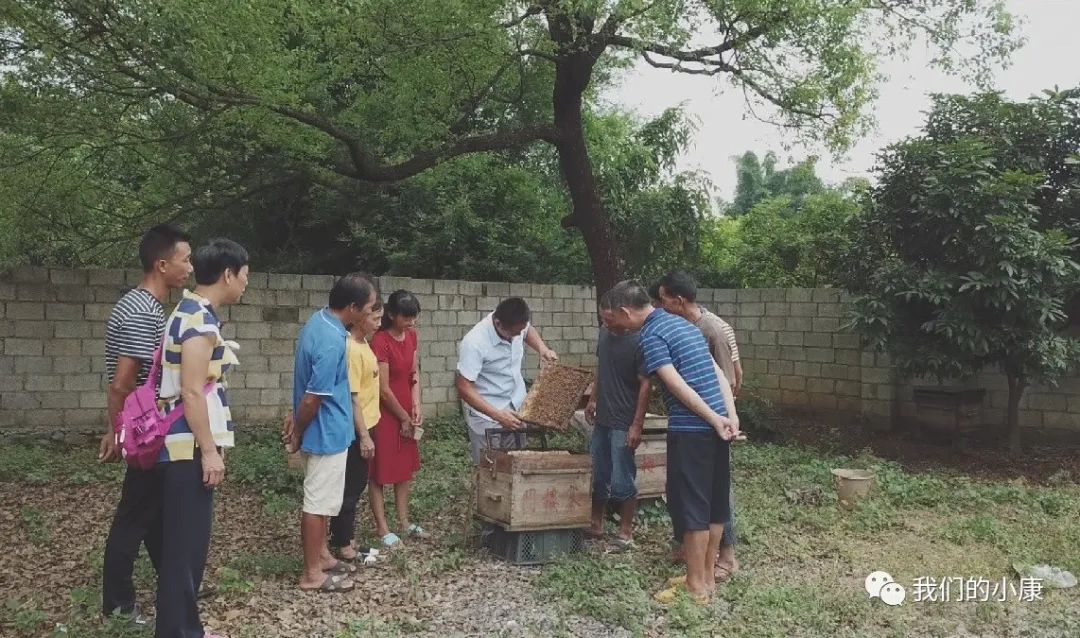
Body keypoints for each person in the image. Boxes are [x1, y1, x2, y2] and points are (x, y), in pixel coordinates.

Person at [603, 280, 739, 604]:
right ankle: (705, 577)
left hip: (694, 430)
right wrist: (728, 416)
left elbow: (674, 384)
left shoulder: (650, 336)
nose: (614, 327)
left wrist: (711, 418)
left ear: (625, 311)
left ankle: (695, 588)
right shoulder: (683, 324)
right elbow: (718, 372)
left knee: (692, 507)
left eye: (614, 319)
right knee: (714, 505)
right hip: (718, 426)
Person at [155, 238, 249, 638]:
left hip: (184, 446)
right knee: (183, 550)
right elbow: (191, 391)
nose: (246, 284)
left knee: (184, 548)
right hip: (185, 448)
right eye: (245, 276)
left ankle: (183, 628)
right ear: (227, 274)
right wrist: (209, 452)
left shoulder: (194, 312)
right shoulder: (197, 320)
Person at [100, 224, 192, 625]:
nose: (189, 267)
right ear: (162, 264)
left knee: (154, 514)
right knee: (134, 517)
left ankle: (177, 583)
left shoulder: (145, 307)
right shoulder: (142, 311)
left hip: (145, 431)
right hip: (143, 433)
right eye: (184, 259)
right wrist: (118, 431)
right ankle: (118, 607)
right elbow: (123, 382)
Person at [286, 273, 378, 593]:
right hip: (324, 434)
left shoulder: (321, 321)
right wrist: (297, 429)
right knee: (316, 503)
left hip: (331, 433)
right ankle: (312, 574)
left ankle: (323, 556)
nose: (371, 314)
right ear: (352, 308)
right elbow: (313, 396)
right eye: (369, 308)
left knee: (325, 501)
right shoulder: (330, 340)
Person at [658, 271, 744, 582]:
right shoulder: (684, 326)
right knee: (698, 493)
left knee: (714, 494)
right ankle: (698, 559)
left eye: (663, 298)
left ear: (678, 300)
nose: (660, 305)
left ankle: (727, 556)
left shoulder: (712, 330)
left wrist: (724, 419)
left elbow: (726, 379)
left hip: (713, 422)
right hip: (704, 419)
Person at [584, 290, 651, 548]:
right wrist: (592, 398)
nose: (606, 324)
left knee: (623, 476)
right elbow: (601, 368)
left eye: (610, 320)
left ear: (623, 315)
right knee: (598, 471)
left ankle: (625, 531)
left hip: (624, 420)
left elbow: (646, 385)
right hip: (603, 417)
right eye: (603, 319)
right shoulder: (603, 333)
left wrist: (637, 424)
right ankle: (596, 524)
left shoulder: (640, 341)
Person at [455, 297, 558, 464]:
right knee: (489, 470)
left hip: (517, 408)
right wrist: (498, 415)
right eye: (513, 333)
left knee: (518, 465)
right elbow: (464, 387)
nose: (517, 336)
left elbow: (528, 330)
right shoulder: (474, 343)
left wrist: (542, 349)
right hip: (487, 416)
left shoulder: (517, 324)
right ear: (497, 323)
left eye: (520, 331)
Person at [326, 294, 381, 561]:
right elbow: (353, 396)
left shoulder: (364, 344)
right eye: (374, 317)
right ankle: (343, 544)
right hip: (358, 429)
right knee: (351, 486)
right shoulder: (351, 348)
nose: (378, 323)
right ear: (359, 318)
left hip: (370, 424)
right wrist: (364, 436)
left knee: (355, 484)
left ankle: (347, 537)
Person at [368, 290, 425, 548]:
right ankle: (383, 528)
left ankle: (404, 521)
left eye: (414, 317)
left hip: (405, 409)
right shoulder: (380, 341)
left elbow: (414, 372)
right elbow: (382, 388)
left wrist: (416, 404)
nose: (411, 322)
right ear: (391, 315)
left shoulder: (411, 336)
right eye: (406, 317)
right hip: (385, 413)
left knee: (404, 470)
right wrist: (402, 417)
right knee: (380, 472)